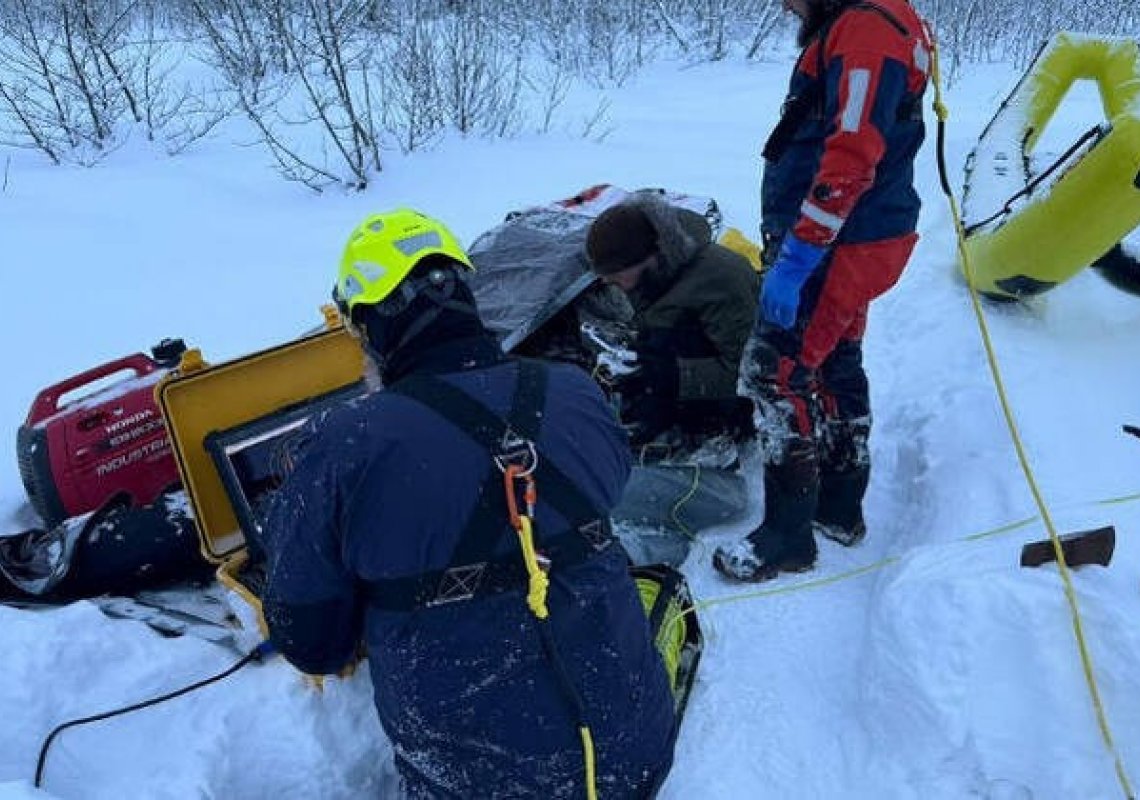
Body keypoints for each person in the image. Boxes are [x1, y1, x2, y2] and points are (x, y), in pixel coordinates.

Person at [259, 208, 677, 797]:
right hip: (636, 755)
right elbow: (603, 487)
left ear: (371, 325)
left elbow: (312, 643)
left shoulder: (344, 442)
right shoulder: (576, 391)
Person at [712, 0, 932, 582]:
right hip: (857, 233)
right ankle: (839, 505)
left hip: (839, 240)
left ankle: (786, 537)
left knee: (776, 372)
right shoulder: (872, 20)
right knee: (833, 359)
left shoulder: (864, 30)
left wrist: (799, 255)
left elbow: (853, 154)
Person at [584, 193, 761, 448]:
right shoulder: (649, 277)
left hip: (721, 409)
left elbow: (749, 375)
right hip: (671, 392)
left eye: (615, 273)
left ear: (651, 257)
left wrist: (670, 375)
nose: (608, 281)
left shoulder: (723, 281)